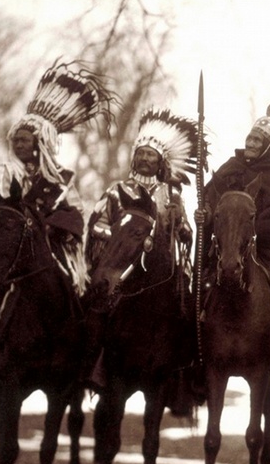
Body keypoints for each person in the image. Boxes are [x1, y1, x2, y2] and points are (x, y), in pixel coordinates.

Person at [0, 61, 114, 398]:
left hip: (52, 253)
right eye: (17, 139)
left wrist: (52, 226)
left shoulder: (61, 180)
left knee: (81, 295)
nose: (20, 144)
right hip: (7, 251)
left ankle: (82, 366)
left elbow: (74, 217)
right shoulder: (3, 173)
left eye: (27, 139)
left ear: (42, 143)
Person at [84, 108, 201, 395]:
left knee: (187, 308)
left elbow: (185, 235)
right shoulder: (117, 190)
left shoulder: (171, 195)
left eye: (152, 155)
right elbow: (97, 223)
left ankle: (183, 373)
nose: (146, 159)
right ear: (135, 157)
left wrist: (183, 223)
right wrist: (118, 240)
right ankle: (93, 366)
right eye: (142, 153)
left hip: (161, 271)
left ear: (160, 161)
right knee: (98, 307)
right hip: (121, 268)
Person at [193, 103, 270, 374]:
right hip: (224, 247)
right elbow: (211, 198)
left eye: (258, 140)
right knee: (198, 287)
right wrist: (204, 214)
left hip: (264, 247)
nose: (251, 143)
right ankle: (194, 345)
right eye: (250, 138)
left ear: (269, 145)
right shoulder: (231, 167)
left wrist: (254, 231)